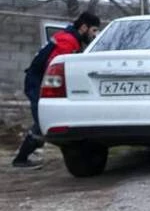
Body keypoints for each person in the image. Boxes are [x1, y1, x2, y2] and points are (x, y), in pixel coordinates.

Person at [12, 12, 101, 168]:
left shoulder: (68, 37)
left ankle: (25, 155)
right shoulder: (68, 41)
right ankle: (21, 159)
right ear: (84, 27)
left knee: (44, 121)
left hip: (39, 80)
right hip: (38, 83)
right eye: (94, 30)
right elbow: (53, 69)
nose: (95, 35)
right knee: (43, 122)